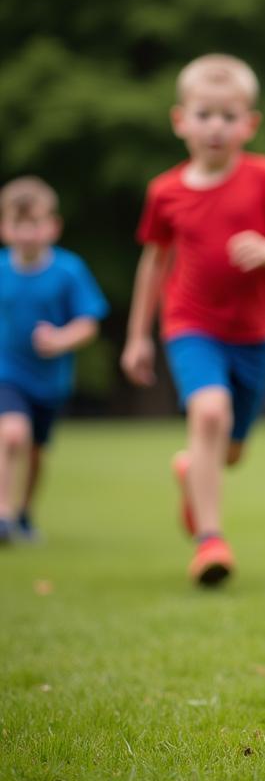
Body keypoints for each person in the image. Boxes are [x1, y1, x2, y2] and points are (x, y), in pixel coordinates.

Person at [121, 54, 265, 586]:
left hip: (255, 334)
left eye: (228, 116)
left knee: (229, 451)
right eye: (204, 115)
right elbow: (153, 262)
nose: (216, 127)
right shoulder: (165, 191)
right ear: (180, 120)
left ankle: (193, 469)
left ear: (248, 124)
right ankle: (210, 542)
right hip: (190, 324)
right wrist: (138, 336)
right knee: (209, 412)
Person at [0, 177, 108, 543]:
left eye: (35, 224)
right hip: (6, 373)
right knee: (12, 433)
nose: (27, 233)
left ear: (53, 226)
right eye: (19, 224)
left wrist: (61, 339)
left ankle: (24, 513)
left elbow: (89, 323)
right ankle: (2, 514)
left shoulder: (68, 270)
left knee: (34, 452)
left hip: (50, 380)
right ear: (5, 227)